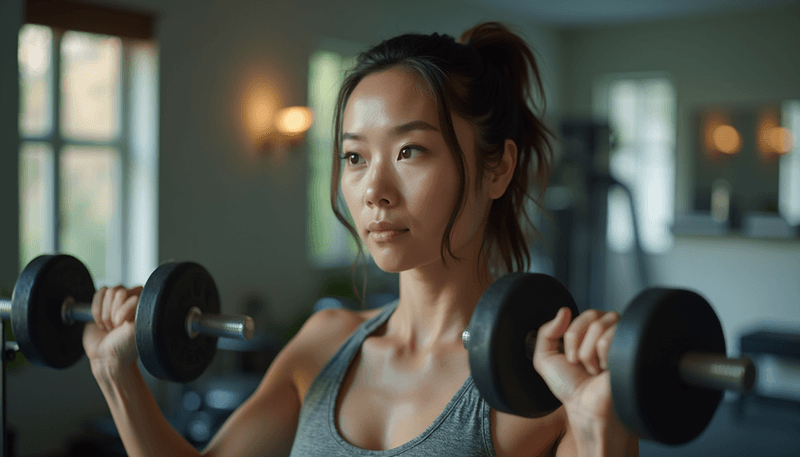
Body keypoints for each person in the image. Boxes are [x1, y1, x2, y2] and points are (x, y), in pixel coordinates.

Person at [83, 22, 639, 456]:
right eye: (354, 157)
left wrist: (600, 429)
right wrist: (117, 376)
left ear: (498, 170)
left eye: (409, 151)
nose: (375, 190)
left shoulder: (544, 384)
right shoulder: (324, 344)